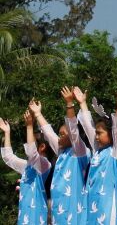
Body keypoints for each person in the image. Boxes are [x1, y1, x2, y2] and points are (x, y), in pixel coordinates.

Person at [31, 88, 89, 223]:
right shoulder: (62, 152)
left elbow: (73, 129)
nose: (59, 138)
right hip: (59, 211)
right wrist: (38, 114)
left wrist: (69, 104)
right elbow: (49, 132)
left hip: (74, 212)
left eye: (63, 134)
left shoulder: (80, 152)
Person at [76, 85, 117, 224]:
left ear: (110, 134)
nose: (96, 137)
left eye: (100, 133)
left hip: (107, 207)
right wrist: (82, 104)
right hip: (91, 203)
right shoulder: (97, 152)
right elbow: (88, 127)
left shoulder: (116, 154)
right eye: (96, 134)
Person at [1, 111, 51, 225]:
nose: (27, 144)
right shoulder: (27, 166)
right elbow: (8, 157)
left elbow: (32, 153)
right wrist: (7, 132)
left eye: (30, 141)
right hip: (24, 216)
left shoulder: (45, 165)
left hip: (36, 217)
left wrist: (29, 126)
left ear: (42, 146)